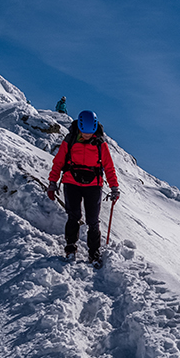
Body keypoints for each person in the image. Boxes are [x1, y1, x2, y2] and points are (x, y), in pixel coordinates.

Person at [46, 110, 120, 261]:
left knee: (93, 219)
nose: (87, 136)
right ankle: (70, 247)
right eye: (85, 132)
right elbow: (58, 162)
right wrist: (52, 183)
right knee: (74, 215)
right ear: (79, 127)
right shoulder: (70, 140)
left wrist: (114, 187)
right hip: (71, 182)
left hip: (94, 185)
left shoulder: (100, 143)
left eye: (90, 133)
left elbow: (109, 166)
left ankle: (94, 251)